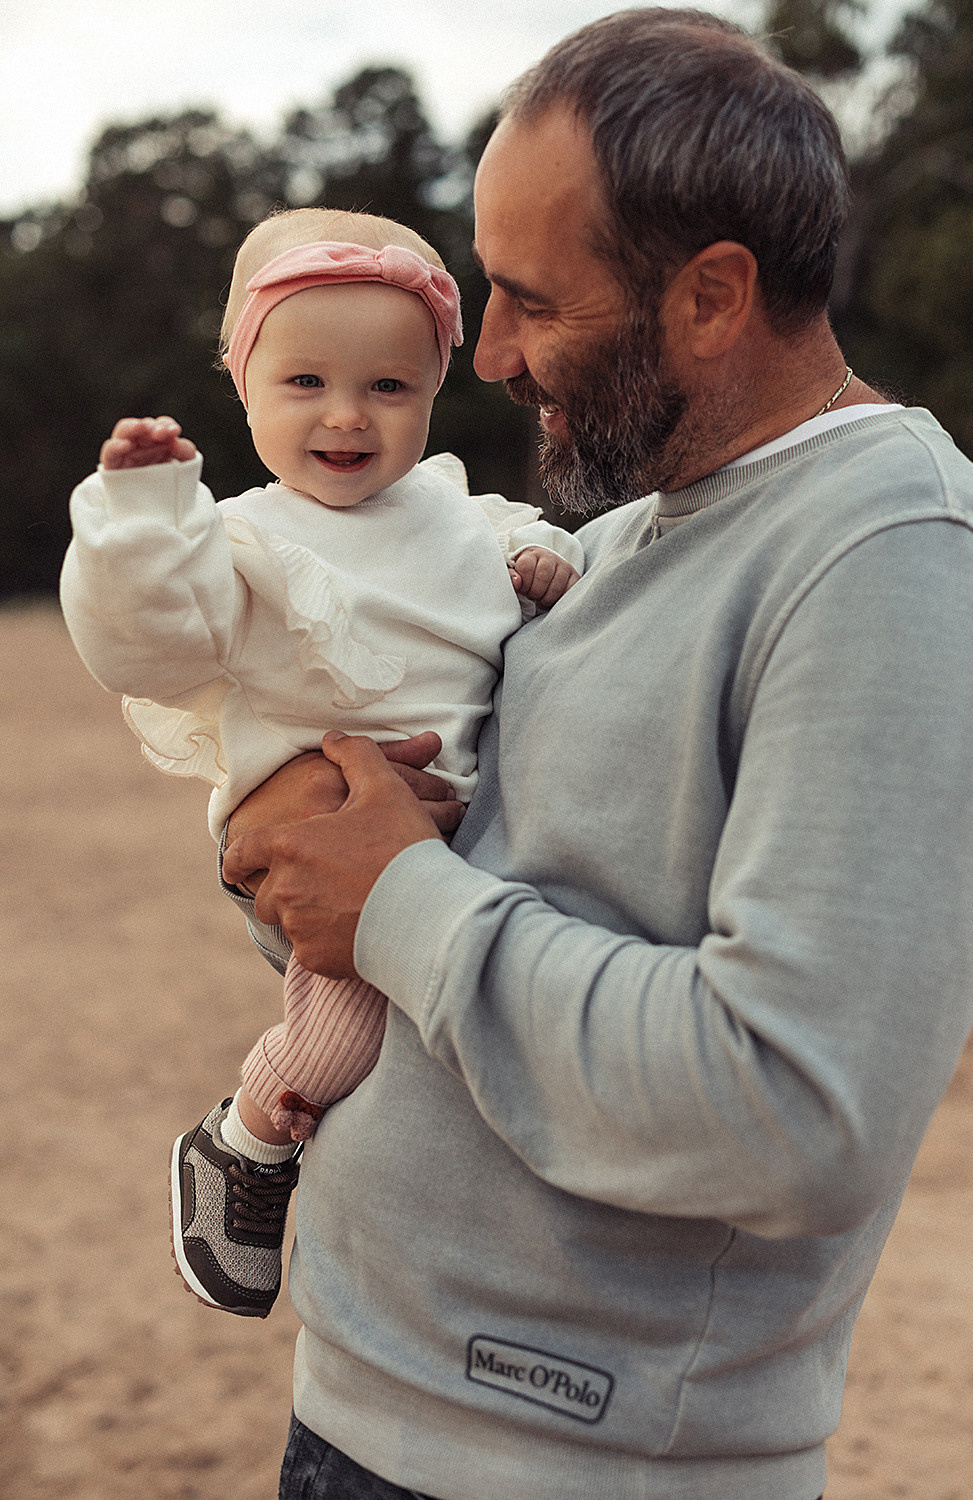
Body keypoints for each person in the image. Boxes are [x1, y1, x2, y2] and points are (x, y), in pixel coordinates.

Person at [221, 9, 973, 1499]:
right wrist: (291, 855)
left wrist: (394, 900)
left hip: (568, 1464)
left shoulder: (894, 551)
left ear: (713, 295)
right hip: (361, 1403)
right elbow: (439, 916)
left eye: (530, 300)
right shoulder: (614, 539)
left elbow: (793, 1109)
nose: (490, 354)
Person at [59, 206, 583, 1319]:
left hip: (459, 843)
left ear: (433, 389)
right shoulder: (237, 541)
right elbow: (146, 644)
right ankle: (244, 1141)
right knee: (351, 1028)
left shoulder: (449, 508)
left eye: (387, 387)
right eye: (305, 384)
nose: (347, 416)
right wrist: (144, 522)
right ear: (243, 385)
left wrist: (543, 555)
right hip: (324, 841)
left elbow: (529, 538)